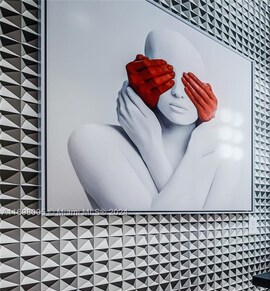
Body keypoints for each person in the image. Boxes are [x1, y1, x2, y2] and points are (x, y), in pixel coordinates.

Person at [68, 29, 238, 211]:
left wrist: (160, 149)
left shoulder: (225, 160)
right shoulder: (93, 140)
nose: (178, 93)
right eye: (167, 76)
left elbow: (200, 233)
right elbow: (161, 231)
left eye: (190, 82)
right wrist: (153, 146)